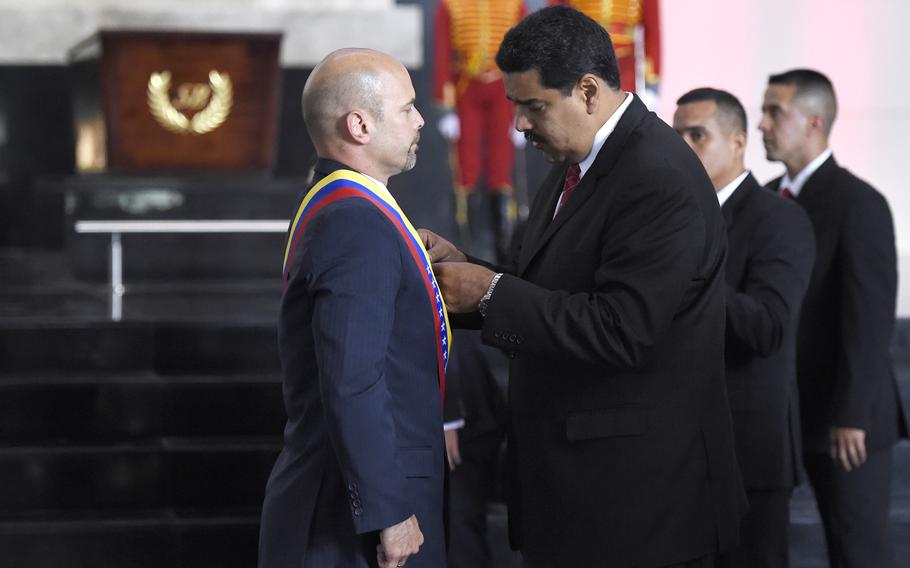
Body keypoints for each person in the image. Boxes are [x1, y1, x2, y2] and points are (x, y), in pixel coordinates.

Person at [420, 6, 746, 566]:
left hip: (636, 507)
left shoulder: (657, 176)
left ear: (589, 92)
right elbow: (540, 285)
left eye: (534, 106)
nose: (519, 126)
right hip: (579, 495)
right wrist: (460, 270)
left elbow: (624, 330)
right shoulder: (580, 161)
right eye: (515, 107)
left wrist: (490, 291)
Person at [258, 48, 449, 568]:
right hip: (354, 523)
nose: (421, 119)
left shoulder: (346, 203)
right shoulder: (354, 222)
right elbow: (352, 379)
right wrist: (388, 510)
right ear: (360, 124)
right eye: (407, 108)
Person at [759, 68, 909, 568]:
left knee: (857, 552)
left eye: (774, 112)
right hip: (783, 412)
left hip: (847, 421)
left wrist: (850, 416)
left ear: (814, 122)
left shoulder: (858, 202)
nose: (761, 124)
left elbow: (869, 321)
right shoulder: (766, 198)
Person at [673, 87, 815, 568]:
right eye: (677, 137)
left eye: (698, 135)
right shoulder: (664, 220)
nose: (684, 148)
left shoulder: (780, 218)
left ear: (738, 142)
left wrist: (683, 271)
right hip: (671, 452)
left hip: (746, 452)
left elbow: (767, 328)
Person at [433, 0, 526, 260]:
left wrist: (522, 107)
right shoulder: (450, 5)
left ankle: (505, 254)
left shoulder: (514, 4)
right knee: (466, 170)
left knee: (502, 171)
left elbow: (524, 56)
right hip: (466, 88)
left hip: (503, 90)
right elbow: (443, 52)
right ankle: (464, 250)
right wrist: (446, 106)